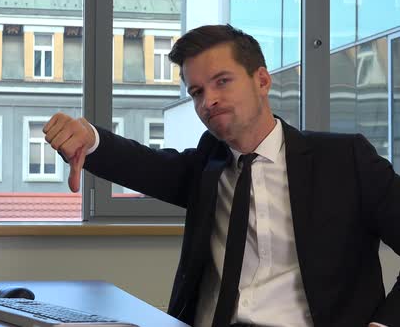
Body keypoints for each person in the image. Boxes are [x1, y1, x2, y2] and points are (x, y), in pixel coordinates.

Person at [43, 24, 400, 327]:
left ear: (262, 80)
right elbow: (146, 164)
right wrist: (90, 141)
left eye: (222, 81)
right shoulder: (208, 165)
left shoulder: (344, 160)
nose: (207, 101)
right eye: (196, 92)